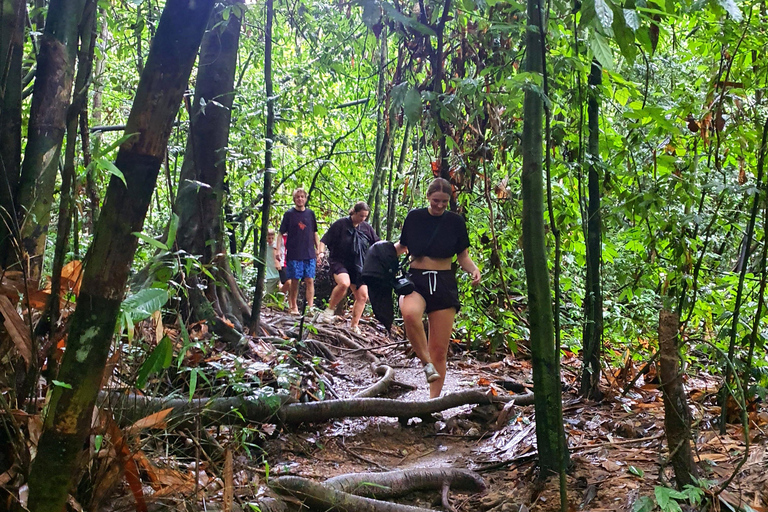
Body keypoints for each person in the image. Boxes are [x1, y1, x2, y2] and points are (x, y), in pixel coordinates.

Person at [394, 178, 482, 398]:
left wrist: (473, 270)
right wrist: (378, 255)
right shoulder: (414, 217)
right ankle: (426, 363)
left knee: (439, 350)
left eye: (444, 201)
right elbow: (402, 246)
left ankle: (432, 402)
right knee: (410, 313)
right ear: (428, 197)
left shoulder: (455, 222)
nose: (440, 205)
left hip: (444, 283)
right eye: (436, 200)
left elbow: (463, 256)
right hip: (416, 279)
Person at [317, 202, 380, 334]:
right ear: (354, 212)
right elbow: (324, 240)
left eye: (365, 216)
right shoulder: (340, 224)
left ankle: (354, 326)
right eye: (361, 215)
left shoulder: (366, 228)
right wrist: (320, 253)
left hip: (358, 265)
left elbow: (377, 244)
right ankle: (328, 311)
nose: (363, 219)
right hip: (339, 262)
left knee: (363, 296)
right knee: (344, 283)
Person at [277, 188, 321, 315]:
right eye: (297, 197)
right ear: (294, 199)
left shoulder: (310, 214)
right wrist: (278, 251)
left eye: (302, 196)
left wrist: (318, 250)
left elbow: (314, 233)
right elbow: (280, 233)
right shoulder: (289, 214)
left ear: (306, 198)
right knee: (295, 280)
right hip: (294, 252)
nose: (300, 199)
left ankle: (310, 307)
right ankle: (293, 306)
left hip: (309, 253)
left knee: (309, 280)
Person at [264, 229, 282, 296]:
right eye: (269, 238)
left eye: (272, 238)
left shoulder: (277, 246)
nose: (270, 240)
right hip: (270, 275)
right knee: (269, 295)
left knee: (280, 294)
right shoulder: (265, 247)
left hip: (278, 274)